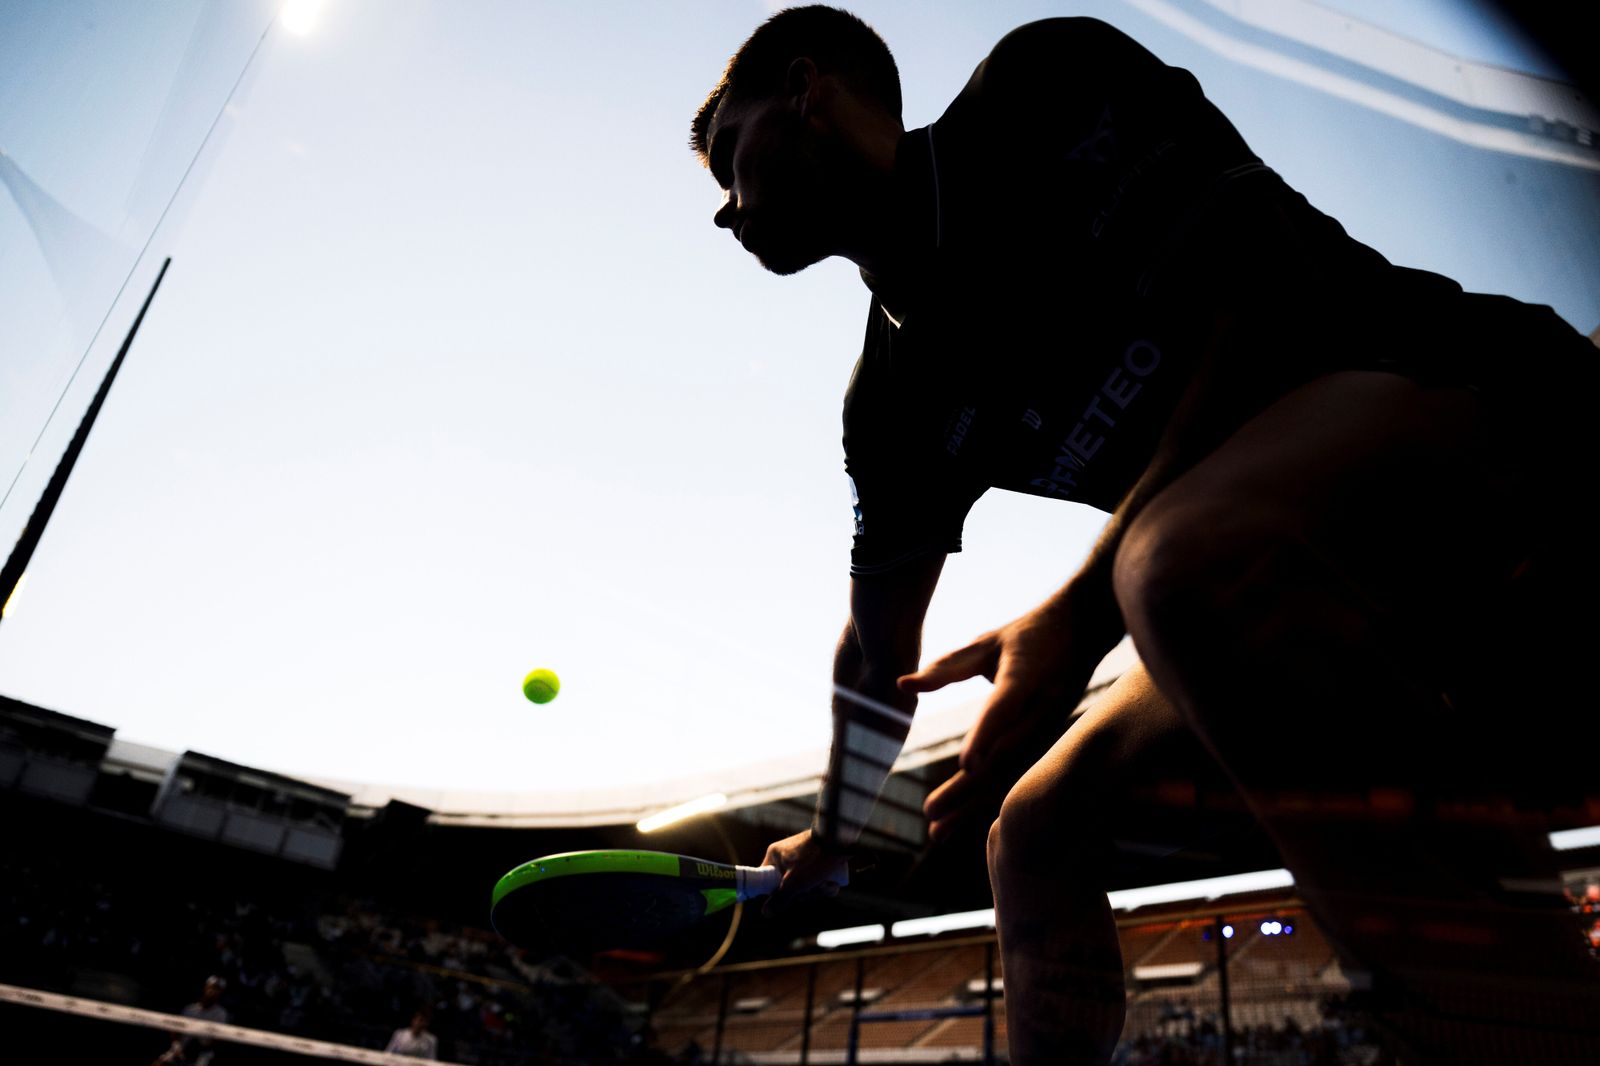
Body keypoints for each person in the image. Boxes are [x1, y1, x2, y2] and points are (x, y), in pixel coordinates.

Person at [690, 7, 1600, 1065]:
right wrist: (836, 834)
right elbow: (875, 650)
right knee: (1031, 833)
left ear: (807, 90)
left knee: (1171, 561)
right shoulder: (886, 407)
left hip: (1462, 395)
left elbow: (1270, 305)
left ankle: (1526, 1030)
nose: (722, 212)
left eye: (728, 157)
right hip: (1245, 547)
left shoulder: (1042, 88)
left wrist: (1075, 618)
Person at [154, 976, 228, 1066]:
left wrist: (199, 1049)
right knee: (160, 1063)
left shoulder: (221, 1014)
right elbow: (175, 1029)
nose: (213, 991)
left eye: (217, 989)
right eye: (211, 987)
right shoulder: (190, 1009)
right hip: (180, 1049)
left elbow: (217, 1040)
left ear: (220, 993)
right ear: (206, 987)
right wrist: (176, 1044)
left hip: (203, 1054)